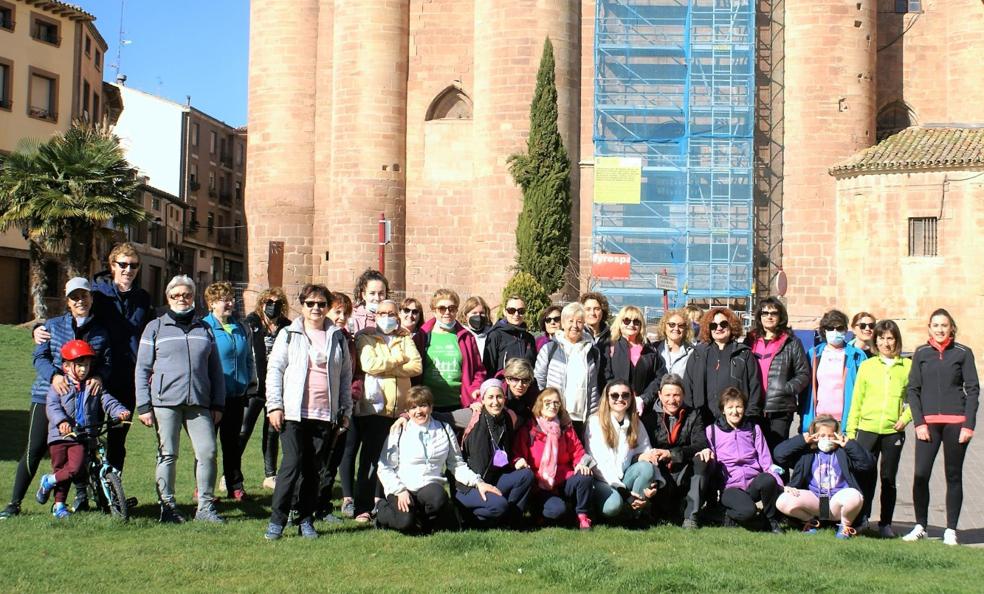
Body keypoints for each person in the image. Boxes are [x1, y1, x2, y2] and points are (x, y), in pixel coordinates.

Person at [33, 243, 153, 475]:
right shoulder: (98, 293)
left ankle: (113, 494)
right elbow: (74, 315)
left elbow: (151, 330)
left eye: (134, 266)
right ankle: (83, 491)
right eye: (123, 265)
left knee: (119, 438)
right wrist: (38, 328)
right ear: (112, 266)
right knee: (87, 435)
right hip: (94, 377)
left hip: (127, 378)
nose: (128, 270)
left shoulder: (142, 298)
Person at [1, 278, 113, 519]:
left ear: (91, 298)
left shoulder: (101, 331)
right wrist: (54, 376)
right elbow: (39, 357)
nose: (80, 301)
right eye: (75, 297)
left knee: (76, 450)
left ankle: (61, 503)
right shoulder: (51, 326)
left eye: (84, 296)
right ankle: (14, 503)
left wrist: (100, 377)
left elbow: (106, 361)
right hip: (46, 395)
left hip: (81, 400)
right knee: (35, 448)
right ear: (68, 301)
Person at [263, 284, 353, 540]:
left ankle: (305, 519)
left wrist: (345, 409)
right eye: (310, 304)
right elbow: (275, 370)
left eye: (321, 304)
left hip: (324, 413)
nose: (316, 308)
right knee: (291, 465)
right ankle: (277, 521)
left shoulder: (336, 336)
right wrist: (275, 405)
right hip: (293, 412)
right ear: (301, 306)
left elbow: (345, 376)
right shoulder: (289, 334)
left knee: (314, 470)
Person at [135, 275, 226, 524]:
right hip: (165, 402)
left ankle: (205, 507)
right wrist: (144, 405)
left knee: (207, 452)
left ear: (193, 297)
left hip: (199, 402)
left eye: (186, 295)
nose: (181, 299)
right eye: (176, 295)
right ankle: (167, 506)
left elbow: (215, 370)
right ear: (168, 298)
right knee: (168, 454)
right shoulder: (155, 327)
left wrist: (218, 403)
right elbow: (142, 368)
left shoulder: (204, 328)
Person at [376, 386, 498, 534]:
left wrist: (478, 482)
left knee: (439, 498)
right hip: (401, 488)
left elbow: (457, 464)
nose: (419, 411)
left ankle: (422, 518)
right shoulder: (399, 431)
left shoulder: (444, 429)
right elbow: (385, 467)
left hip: (429, 487)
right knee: (405, 523)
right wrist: (399, 490)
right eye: (413, 407)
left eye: (423, 405)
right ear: (407, 411)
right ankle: (382, 510)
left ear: (431, 407)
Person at [903, 309, 979, 546]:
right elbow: (913, 390)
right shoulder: (921, 353)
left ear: (951, 328)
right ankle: (921, 526)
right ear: (929, 328)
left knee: (953, 476)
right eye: (935, 325)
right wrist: (919, 422)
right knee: (920, 474)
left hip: (956, 424)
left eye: (944, 325)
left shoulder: (963, 353)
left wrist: (969, 425)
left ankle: (951, 529)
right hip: (928, 425)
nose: (940, 329)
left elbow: (973, 389)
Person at [36, 340, 131, 519]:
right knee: (61, 472)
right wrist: (61, 421)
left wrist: (120, 411)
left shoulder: (92, 385)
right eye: (79, 366)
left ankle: (48, 481)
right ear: (66, 366)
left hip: (81, 436)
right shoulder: (59, 386)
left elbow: (108, 401)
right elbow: (52, 406)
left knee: (75, 467)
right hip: (60, 435)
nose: (83, 370)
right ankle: (59, 506)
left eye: (86, 366)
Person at [352, 299, 422, 522]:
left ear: (397, 316)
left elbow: (417, 366)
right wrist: (399, 360)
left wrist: (387, 365)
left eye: (391, 313)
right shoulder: (365, 337)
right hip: (375, 409)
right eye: (382, 312)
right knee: (371, 461)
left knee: (397, 460)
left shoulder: (404, 337)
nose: (386, 316)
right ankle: (362, 506)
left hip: (400, 411)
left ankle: (387, 503)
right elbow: (369, 365)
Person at [846, 319, 911, 538]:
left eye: (890, 338)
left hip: (893, 430)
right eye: (881, 338)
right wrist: (850, 430)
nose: (886, 343)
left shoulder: (907, 367)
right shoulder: (867, 366)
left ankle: (885, 524)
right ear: (876, 341)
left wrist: (906, 418)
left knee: (888, 478)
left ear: (897, 340)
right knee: (865, 476)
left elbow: (915, 397)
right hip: (867, 428)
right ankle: (862, 520)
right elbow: (857, 400)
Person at [774, 415, 874, 539]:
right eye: (822, 435)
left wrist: (848, 444)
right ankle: (812, 522)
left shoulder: (843, 452)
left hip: (837, 501)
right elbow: (779, 454)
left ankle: (845, 527)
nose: (826, 439)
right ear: (814, 436)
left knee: (855, 496)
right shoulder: (807, 453)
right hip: (815, 500)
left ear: (837, 435)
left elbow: (867, 464)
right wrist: (802, 440)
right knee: (782, 501)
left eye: (830, 435)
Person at [200, 281, 256, 502]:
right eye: (224, 299)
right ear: (212, 303)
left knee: (232, 443)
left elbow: (248, 358)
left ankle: (235, 485)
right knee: (208, 445)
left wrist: (250, 383)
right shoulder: (204, 327)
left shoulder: (241, 327)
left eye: (231, 298)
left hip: (236, 395)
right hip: (212, 397)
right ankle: (203, 489)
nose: (230, 303)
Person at [700, 387, 783, 533]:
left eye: (739, 406)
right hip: (730, 487)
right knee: (748, 512)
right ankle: (726, 515)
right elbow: (711, 466)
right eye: (730, 407)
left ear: (744, 408)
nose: (735, 411)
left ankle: (771, 520)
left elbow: (766, 461)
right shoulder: (712, 431)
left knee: (768, 479)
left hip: (753, 483)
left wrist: (781, 485)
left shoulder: (753, 428)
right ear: (723, 410)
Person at [455, 379, 535, 526]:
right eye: (490, 397)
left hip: (495, 478)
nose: (495, 402)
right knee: (499, 506)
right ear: (482, 399)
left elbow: (531, 419)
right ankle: (467, 515)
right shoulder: (471, 415)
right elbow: (440, 417)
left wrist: (562, 419)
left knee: (526, 475)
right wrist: (406, 416)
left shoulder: (508, 417)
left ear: (504, 398)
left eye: (499, 396)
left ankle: (511, 520)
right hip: (469, 484)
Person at [513, 388, 595, 529]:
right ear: (540, 405)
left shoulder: (565, 429)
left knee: (585, 476)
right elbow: (516, 454)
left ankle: (582, 515)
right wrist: (519, 461)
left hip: (563, 477)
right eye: (548, 402)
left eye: (556, 403)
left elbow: (578, 451)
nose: (553, 406)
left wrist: (580, 464)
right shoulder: (528, 430)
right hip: (540, 483)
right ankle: (539, 511)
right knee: (557, 511)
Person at [584, 381, 661, 522]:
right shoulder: (594, 422)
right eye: (614, 395)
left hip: (624, 477)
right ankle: (604, 509)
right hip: (602, 480)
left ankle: (635, 513)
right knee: (613, 506)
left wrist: (653, 483)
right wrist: (626, 494)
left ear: (631, 398)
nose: (620, 399)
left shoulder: (636, 422)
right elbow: (600, 464)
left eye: (625, 395)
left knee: (647, 467)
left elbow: (647, 452)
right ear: (607, 398)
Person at [641, 374, 708, 529]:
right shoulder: (649, 418)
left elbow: (700, 444)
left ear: (683, 395)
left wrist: (672, 454)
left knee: (703, 460)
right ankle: (649, 511)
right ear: (659, 395)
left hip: (684, 470)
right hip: (660, 472)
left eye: (676, 395)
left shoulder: (694, 414)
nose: (672, 400)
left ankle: (691, 517)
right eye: (668, 395)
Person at [743, 298, 810, 451]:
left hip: (779, 409)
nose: (769, 316)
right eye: (765, 313)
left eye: (774, 313)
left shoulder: (791, 342)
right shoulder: (750, 340)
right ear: (759, 316)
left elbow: (803, 374)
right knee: (756, 453)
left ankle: (780, 477)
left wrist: (785, 389)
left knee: (778, 455)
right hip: (753, 407)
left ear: (781, 317)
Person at [241, 288, 291, 490]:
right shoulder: (250, 324)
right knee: (243, 430)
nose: (272, 306)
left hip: (277, 387)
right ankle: (230, 474)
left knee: (272, 432)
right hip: (254, 385)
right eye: (269, 302)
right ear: (261, 303)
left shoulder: (287, 327)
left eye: (278, 303)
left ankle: (270, 475)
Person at [684, 307, 763, 425]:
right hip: (703, 420)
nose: (719, 328)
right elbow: (688, 385)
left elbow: (754, 387)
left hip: (735, 420)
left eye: (723, 324)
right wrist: (691, 417)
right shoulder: (698, 354)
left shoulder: (744, 354)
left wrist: (749, 416)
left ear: (731, 325)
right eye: (713, 325)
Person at [534, 302, 600, 437]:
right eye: (570, 321)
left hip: (583, 417)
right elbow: (539, 379)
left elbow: (595, 383)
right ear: (563, 324)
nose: (574, 326)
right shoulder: (550, 349)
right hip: (555, 414)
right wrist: (547, 406)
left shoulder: (592, 351)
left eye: (579, 322)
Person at [320, 291, 359, 520]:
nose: (342, 317)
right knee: (317, 458)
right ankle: (303, 505)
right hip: (320, 405)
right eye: (338, 312)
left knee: (333, 459)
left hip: (343, 406)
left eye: (346, 313)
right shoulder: (320, 337)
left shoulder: (347, 340)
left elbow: (351, 374)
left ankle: (323, 505)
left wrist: (351, 396)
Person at [799, 309, 866, 433]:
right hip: (819, 419)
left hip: (846, 421)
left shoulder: (857, 356)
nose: (835, 332)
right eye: (830, 328)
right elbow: (805, 387)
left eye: (839, 328)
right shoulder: (813, 354)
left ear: (846, 330)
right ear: (824, 330)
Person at [419, 289, 486, 412]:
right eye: (442, 308)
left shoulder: (466, 337)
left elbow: (478, 370)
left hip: (458, 405)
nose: (447, 312)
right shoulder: (422, 336)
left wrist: (475, 390)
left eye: (452, 308)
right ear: (434, 310)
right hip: (426, 406)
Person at [605, 305, 665, 409]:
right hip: (616, 406)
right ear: (620, 322)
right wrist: (619, 396)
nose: (631, 324)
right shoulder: (610, 347)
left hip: (643, 409)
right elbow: (606, 376)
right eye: (627, 320)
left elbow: (659, 377)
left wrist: (644, 398)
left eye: (636, 321)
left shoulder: (650, 350)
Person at [483, 294, 537, 376]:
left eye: (521, 311)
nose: (516, 314)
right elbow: (489, 368)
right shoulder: (495, 335)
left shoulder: (529, 338)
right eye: (511, 310)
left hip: (526, 386)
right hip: (503, 386)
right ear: (505, 312)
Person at [651, 309, 694, 378]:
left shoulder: (692, 353)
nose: (676, 328)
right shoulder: (654, 349)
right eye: (672, 324)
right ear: (664, 326)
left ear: (686, 329)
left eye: (681, 325)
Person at [579, 292, 612, 381]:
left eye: (597, 309)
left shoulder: (612, 337)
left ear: (602, 311)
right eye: (588, 309)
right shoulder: (577, 336)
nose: (592, 313)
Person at [350, 268, 388, 334]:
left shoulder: (392, 318)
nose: (377, 298)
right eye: (372, 293)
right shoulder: (353, 319)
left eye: (381, 293)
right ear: (363, 295)